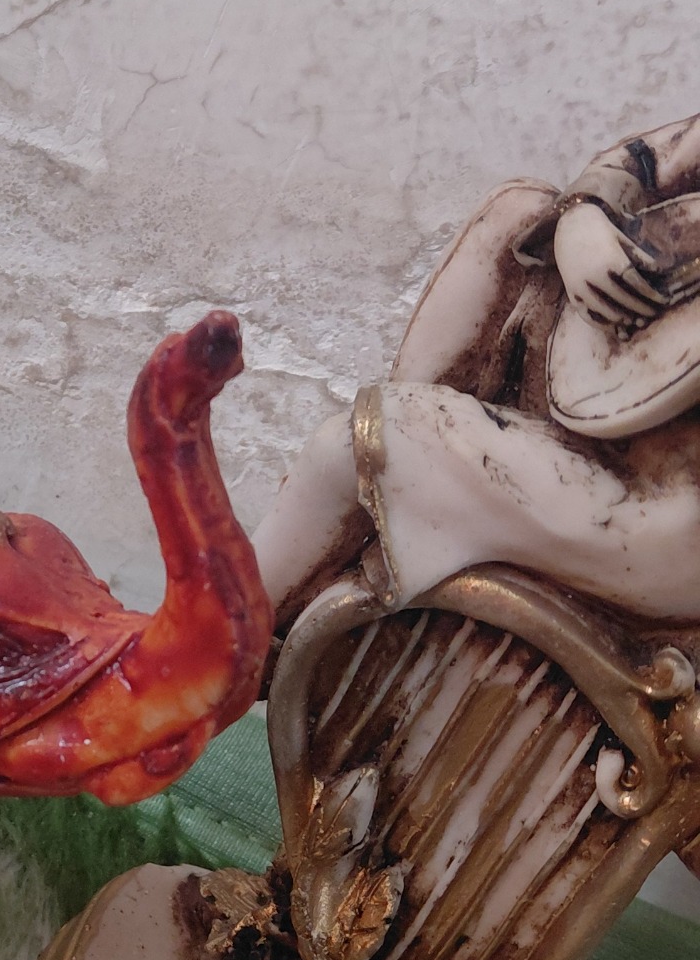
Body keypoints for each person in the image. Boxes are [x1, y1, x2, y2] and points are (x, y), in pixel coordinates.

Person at [254, 115, 700, 628]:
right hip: (606, 395)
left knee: (348, 451)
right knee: (518, 211)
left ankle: (210, 651)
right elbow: (645, 158)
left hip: (655, 513)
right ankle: (406, 471)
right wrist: (584, 215)